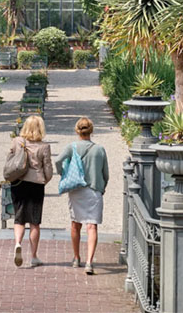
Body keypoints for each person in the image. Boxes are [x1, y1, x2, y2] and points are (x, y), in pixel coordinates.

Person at [55, 116, 109, 274]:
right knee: (92, 226)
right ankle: (89, 262)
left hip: (76, 190)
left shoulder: (71, 147)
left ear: (77, 130)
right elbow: (106, 174)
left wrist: (64, 174)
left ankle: (76, 257)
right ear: (91, 130)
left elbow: (58, 160)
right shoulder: (99, 149)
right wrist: (102, 187)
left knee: (75, 224)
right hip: (94, 190)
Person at [7, 114, 52, 268]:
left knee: (19, 218)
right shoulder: (44, 147)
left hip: (18, 182)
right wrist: (45, 180)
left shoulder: (17, 142)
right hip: (36, 185)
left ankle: (18, 243)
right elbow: (48, 169)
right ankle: (33, 256)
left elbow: (10, 160)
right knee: (34, 221)